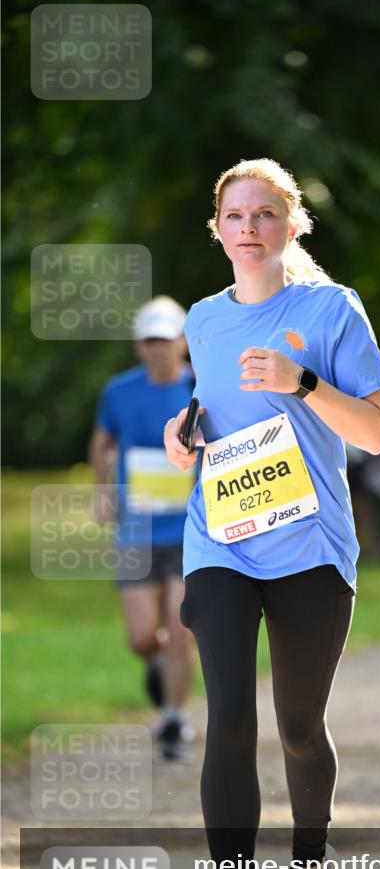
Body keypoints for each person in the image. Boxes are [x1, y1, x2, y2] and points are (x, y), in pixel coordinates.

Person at [163, 158, 380, 869]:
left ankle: (308, 866)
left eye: (264, 213)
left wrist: (304, 383)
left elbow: (374, 433)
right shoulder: (202, 319)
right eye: (235, 215)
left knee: (297, 726)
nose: (249, 227)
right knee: (228, 717)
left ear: (291, 225)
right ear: (218, 229)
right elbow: (213, 411)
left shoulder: (331, 309)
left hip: (309, 547)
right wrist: (183, 430)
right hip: (220, 539)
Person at [89, 296, 196, 760]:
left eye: (165, 339)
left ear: (182, 342)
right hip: (136, 530)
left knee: (181, 626)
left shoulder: (201, 387)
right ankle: (158, 660)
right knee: (142, 636)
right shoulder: (119, 391)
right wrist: (102, 490)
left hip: (190, 529)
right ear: (139, 345)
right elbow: (101, 441)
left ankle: (174, 720)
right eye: (149, 340)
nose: (157, 348)